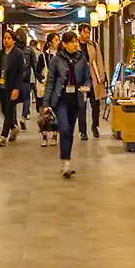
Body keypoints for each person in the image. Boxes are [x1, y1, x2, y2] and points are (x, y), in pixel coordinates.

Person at [45, 32, 92, 178]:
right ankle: (65, 161)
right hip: (61, 99)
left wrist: (86, 86)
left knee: (70, 131)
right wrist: (46, 102)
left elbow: (87, 77)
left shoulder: (81, 58)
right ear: (64, 44)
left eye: (76, 41)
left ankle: (67, 160)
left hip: (75, 99)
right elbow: (50, 81)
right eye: (71, 42)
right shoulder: (57, 59)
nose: (75, 44)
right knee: (64, 128)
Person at [0, 29, 30, 147]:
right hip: (2, 85)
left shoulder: (18, 54)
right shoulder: (0, 54)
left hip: (12, 87)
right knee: (4, 110)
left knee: (9, 110)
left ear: (14, 40)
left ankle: (3, 136)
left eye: (9, 38)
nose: (6, 40)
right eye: (5, 38)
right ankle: (13, 127)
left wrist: (17, 88)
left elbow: (20, 73)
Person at [77, 28, 108, 140]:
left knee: (95, 105)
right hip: (81, 80)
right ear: (80, 32)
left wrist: (101, 75)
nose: (87, 35)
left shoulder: (93, 45)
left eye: (89, 32)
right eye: (85, 32)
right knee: (81, 107)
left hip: (93, 78)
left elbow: (99, 60)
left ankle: (95, 127)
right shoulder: (75, 45)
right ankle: (83, 131)